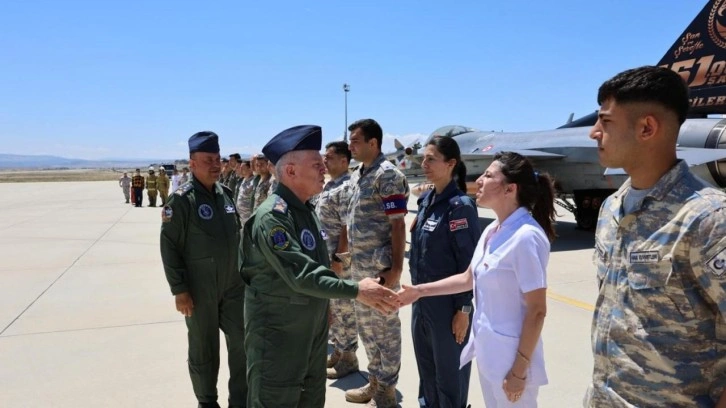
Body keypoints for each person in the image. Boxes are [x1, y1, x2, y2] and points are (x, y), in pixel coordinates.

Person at [584, 66, 726, 407]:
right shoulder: (611, 208)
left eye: (605, 121)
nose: (594, 133)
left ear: (646, 128)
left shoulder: (708, 219)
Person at [240, 124, 399, 408]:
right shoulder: (273, 218)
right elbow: (302, 274)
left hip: (310, 332)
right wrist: (356, 290)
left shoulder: (305, 211)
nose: (323, 169)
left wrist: (324, 307)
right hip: (280, 336)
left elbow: (319, 264)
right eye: (316, 164)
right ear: (290, 172)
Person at [399, 151, 556, 407]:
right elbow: (467, 278)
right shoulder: (493, 232)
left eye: (489, 175)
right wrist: (418, 291)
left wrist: (519, 370)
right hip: (490, 354)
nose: (479, 180)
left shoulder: (526, 236)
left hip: (513, 360)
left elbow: (537, 311)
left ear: (510, 189)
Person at [159, 131, 247, 408]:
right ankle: (207, 402)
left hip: (234, 286)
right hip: (199, 289)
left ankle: (241, 401)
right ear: (193, 162)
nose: (215, 165)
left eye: (218, 159)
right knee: (203, 349)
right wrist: (179, 290)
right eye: (208, 159)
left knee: (244, 346)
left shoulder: (226, 195)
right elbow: (169, 247)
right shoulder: (182, 200)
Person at [408, 136, 480, 408]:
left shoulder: (459, 206)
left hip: (448, 308)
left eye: (431, 159)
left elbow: (468, 262)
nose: (424, 163)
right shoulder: (427, 201)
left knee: (450, 378)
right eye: (424, 158)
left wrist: (464, 310)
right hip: (421, 302)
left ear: (451, 164)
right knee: (426, 373)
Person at [345, 118, 409, 407]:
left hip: (380, 269)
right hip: (359, 269)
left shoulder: (388, 175)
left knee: (385, 329)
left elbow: (398, 224)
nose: (351, 146)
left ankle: (387, 391)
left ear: (373, 143)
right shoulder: (359, 173)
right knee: (367, 328)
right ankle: (374, 382)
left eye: (356, 141)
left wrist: (395, 268)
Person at [314, 141, 359, 379]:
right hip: (327, 257)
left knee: (344, 309)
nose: (325, 161)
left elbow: (346, 226)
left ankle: (349, 357)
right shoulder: (331, 184)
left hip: (338, 260)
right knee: (333, 307)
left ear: (344, 160)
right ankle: (339, 351)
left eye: (329, 157)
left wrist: (340, 259)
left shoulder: (346, 187)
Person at [234, 159, 255, 230]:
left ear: (250, 169)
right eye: (240, 168)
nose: (240, 170)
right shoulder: (243, 180)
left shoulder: (253, 183)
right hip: (241, 216)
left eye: (243, 168)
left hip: (248, 216)